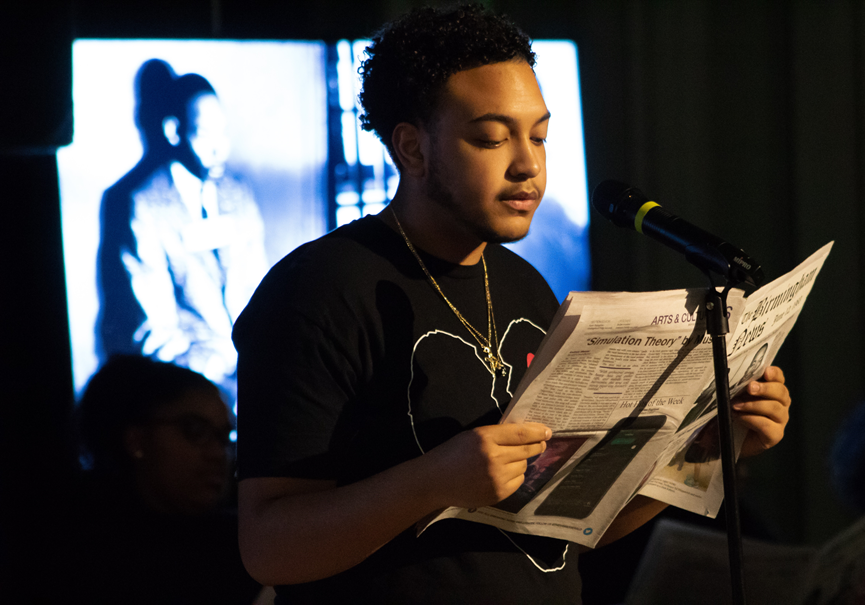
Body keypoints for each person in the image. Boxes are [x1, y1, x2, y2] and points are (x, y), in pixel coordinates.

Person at [232, 4, 792, 603]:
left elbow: (578, 524)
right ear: (413, 149)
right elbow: (268, 546)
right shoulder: (317, 290)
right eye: (492, 138)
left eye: (540, 136)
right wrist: (433, 482)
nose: (528, 164)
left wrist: (715, 446)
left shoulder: (525, 284)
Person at [97, 63, 268, 397]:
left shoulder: (240, 192)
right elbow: (155, 330)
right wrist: (220, 384)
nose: (220, 148)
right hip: (188, 388)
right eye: (205, 135)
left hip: (257, 372)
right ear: (174, 131)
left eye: (223, 133)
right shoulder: (141, 204)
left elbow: (261, 291)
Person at [63, 354, 263, 604]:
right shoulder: (75, 549)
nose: (218, 454)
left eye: (225, 438)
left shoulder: (247, 544)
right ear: (135, 439)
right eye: (195, 431)